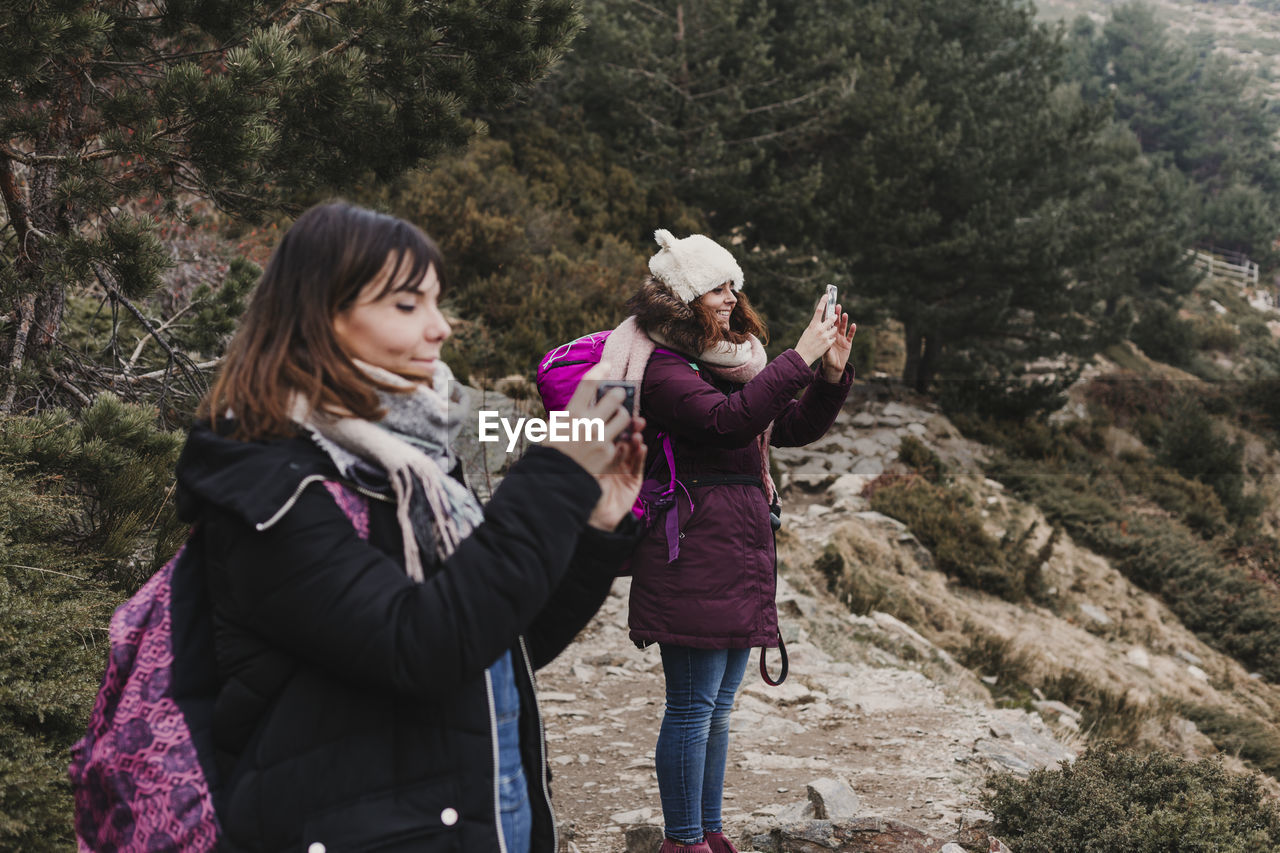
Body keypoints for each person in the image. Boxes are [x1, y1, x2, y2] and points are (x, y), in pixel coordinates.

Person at [174, 201, 645, 853]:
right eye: (407, 305)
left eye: (437, 301)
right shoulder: (270, 485)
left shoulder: (410, 465)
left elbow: (498, 640)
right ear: (321, 317)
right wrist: (555, 473)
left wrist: (595, 523)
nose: (441, 327)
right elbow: (419, 643)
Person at [599, 229, 856, 853]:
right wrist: (795, 359)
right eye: (716, 288)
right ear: (683, 298)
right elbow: (725, 424)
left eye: (732, 286)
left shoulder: (727, 362)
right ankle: (682, 842)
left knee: (716, 709)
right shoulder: (660, 369)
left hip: (737, 545)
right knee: (690, 708)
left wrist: (828, 375)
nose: (730, 299)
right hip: (688, 545)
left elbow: (785, 428)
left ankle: (709, 836)